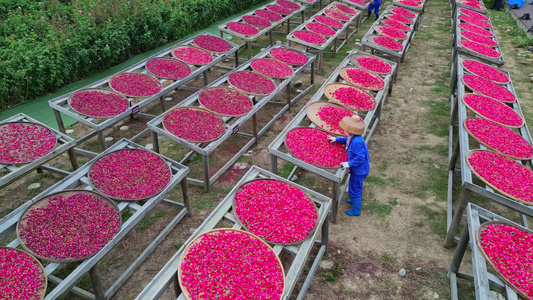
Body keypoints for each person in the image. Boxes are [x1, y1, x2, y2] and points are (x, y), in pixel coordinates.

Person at [328, 115, 370, 216]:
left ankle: (356, 210)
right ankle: (354, 199)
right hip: (357, 169)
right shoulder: (353, 137)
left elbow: (360, 158)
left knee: (355, 187)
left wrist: (349, 163)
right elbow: (346, 140)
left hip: (360, 170)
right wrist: (336, 139)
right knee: (354, 185)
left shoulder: (357, 142)